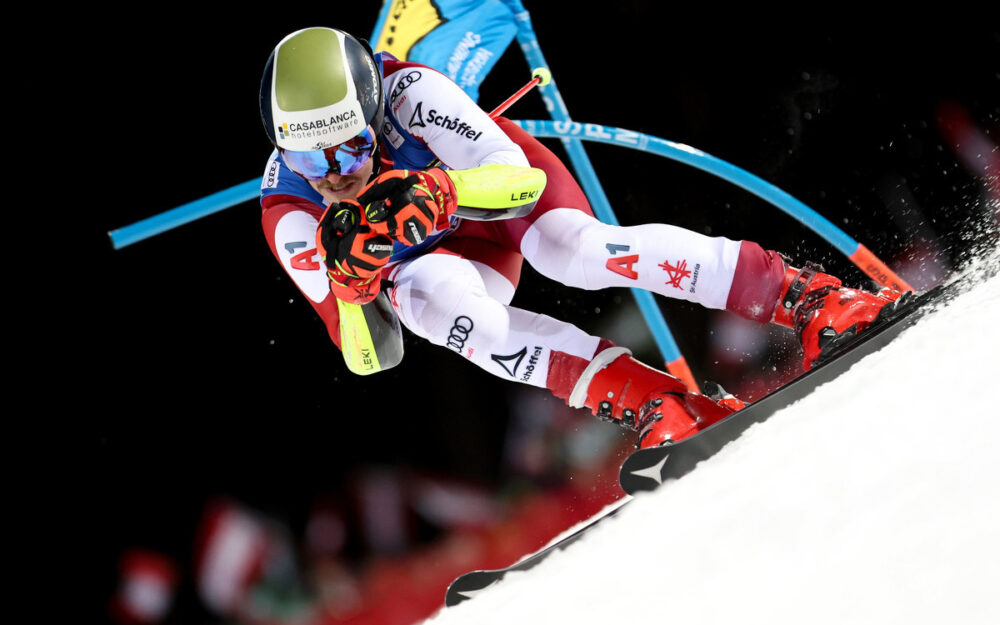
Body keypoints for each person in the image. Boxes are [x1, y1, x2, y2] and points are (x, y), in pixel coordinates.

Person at [258, 27, 902, 449]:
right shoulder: (288, 211)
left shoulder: (410, 93)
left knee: (574, 251)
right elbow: (371, 356)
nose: (338, 175)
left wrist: (442, 192)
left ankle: (814, 298)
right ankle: (662, 404)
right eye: (316, 161)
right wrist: (350, 284)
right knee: (442, 313)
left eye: (353, 148)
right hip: (441, 261)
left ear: (373, 115)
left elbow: (517, 183)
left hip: (493, 204)